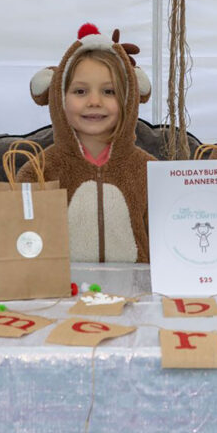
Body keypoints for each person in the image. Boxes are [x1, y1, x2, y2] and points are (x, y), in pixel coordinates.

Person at [17, 24, 154, 262]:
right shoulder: (40, 171)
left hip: (134, 294)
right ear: (59, 96)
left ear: (129, 98)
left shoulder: (148, 170)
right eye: (80, 91)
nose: (94, 101)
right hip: (64, 294)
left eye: (109, 91)